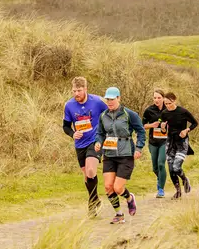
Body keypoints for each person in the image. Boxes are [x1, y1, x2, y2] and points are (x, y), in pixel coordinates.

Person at [94, 87, 146, 224]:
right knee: (108, 187)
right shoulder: (103, 115)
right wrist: (98, 142)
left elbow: (141, 131)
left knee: (118, 188)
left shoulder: (129, 114)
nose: (109, 102)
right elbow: (100, 133)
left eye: (112, 99)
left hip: (126, 154)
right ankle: (119, 214)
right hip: (109, 153)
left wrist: (139, 148)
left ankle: (129, 198)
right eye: (107, 99)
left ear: (118, 98)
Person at [62, 76, 108, 218]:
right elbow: (65, 126)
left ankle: (91, 204)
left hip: (95, 140)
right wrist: (72, 133)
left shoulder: (97, 102)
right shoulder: (69, 105)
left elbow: (110, 114)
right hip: (80, 143)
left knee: (90, 170)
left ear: (86, 89)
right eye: (74, 90)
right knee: (87, 176)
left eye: (79, 90)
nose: (76, 94)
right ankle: (95, 200)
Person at [160, 92, 199, 199]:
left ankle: (185, 179)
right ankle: (178, 191)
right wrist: (163, 128)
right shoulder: (164, 113)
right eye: (166, 104)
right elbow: (163, 130)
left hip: (182, 143)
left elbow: (195, 123)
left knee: (176, 167)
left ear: (175, 100)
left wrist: (187, 130)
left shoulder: (183, 112)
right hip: (170, 143)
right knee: (171, 169)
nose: (168, 106)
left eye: (169, 103)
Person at [142, 89, 168, 198]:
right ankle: (160, 178)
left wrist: (166, 127)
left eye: (159, 98)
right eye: (155, 98)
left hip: (165, 141)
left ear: (163, 98)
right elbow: (142, 125)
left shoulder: (169, 109)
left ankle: (161, 189)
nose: (156, 100)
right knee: (155, 168)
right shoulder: (149, 110)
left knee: (161, 164)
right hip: (153, 141)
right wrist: (152, 125)